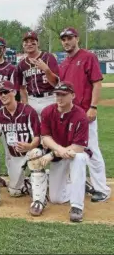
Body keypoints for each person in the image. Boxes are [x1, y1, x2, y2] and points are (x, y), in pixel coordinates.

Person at [58, 27, 111, 202]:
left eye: (69, 38)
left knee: (90, 150)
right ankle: (78, 183)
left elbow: (96, 83)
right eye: (64, 39)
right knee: (72, 150)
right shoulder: (64, 63)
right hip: (70, 114)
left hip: (85, 112)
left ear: (77, 38)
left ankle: (101, 189)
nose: (66, 42)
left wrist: (93, 106)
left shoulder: (88, 57)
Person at [38, 81, 92, 222]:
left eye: (63, 95)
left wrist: (53, 153)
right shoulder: (47, 111)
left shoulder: (80, 115)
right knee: (56, 198)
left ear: (72, 95)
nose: (59, 98)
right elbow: (45, 137)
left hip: (74, 153)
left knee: (79, 158)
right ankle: (80, 185)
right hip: (60, 154)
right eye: (57, 95)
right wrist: (59, 151)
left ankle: (77, 206)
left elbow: (79, 147)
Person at [0, 81, 43, 212]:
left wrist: (29, 146)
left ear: (14, 92)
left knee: (35, 154)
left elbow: (37, 136)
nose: (3, 95)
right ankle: (29, 183)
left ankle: (39, 193)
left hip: (30, 152)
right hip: (14, 156)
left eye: (6, 92)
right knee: (14, 192)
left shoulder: (28, 111)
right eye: (0, 93)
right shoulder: (0, 114)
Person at [17, 31, 59, 116]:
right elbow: (22, 88)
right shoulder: (21, 64)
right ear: (23, 45)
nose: (29, 44)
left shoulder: (48, 57)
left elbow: (56, 83)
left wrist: (46, 70)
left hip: (50, 98)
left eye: (32, 41)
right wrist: (25, 105)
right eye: (26, 41)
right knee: (34, 129)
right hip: (32, 100)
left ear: (38, 43)